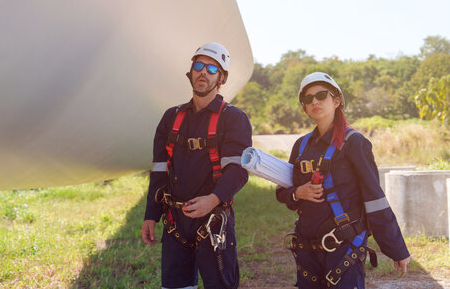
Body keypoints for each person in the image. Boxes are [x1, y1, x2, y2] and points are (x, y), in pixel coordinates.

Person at [276, 72, 410, 288]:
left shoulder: (354, 143)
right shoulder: (301, 147)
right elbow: (282, 192)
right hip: (307, 250)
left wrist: (397, 249)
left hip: (343, 248)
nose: (315, 102)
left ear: (336, 101)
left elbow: (375, 199)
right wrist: (297, 193)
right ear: (304, 108)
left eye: (321, 95)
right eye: (308, 99)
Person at [141, 42, 252, 289]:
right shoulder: (171, 117)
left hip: (213, 220)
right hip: (175, 222)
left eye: (212, 69)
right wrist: (151, 215)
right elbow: (159, 170)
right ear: (190, 73)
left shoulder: (233, 118)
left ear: (221, 78)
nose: (204, 72)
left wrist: (212, 200)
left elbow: (238, 171)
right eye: (199, 66)